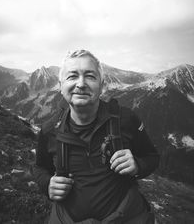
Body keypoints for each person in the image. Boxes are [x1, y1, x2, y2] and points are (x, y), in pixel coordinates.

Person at [34, 49, 160, 224]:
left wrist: (137, 165)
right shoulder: (49, 130)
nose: (81, 84)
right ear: (60, 84)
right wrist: (47, 184)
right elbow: (40, 167)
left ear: (102, 84)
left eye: (90, 76)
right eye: (72, 76)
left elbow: (152, 157)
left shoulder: (126, 120)